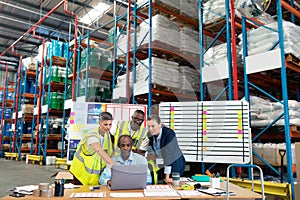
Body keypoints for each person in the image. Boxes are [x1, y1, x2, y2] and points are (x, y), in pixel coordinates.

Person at [70, 111, 115, 185]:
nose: (108, 127)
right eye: (105, 124)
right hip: (81, 173)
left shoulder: (108, 136)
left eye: (110, 124)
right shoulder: (92, 135)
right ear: (99, 123)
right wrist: (111, 163)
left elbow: (111, 153)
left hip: (93, 176)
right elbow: (98, 150)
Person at [147, 115, 185, 184]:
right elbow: (151, 149)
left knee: (173, 186)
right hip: (163, 163)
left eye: (153, 126)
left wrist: (167, 176)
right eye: (148, 126)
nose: (150, 129)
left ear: (160, 125)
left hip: (174, 163)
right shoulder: (150, 135)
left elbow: (169, 154)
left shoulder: (169, 134)